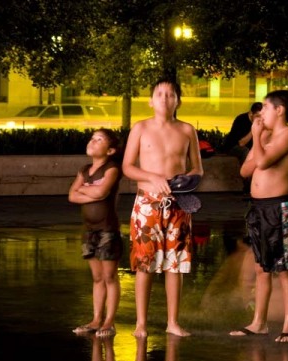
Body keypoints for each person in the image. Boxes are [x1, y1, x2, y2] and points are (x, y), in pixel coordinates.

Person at [122, 78, 204, 338]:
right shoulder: (141, 128)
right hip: (148, 202)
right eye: (160, 94)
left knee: (175, 264)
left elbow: (198, 168)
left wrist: (186, 180)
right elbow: (127, 167)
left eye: (170, 94)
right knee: (145, 263)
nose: (165, 98)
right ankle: (141, 324)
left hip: (178, 204)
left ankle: (172, 322)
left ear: (178, 100)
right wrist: (151, 177)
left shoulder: (187, 130)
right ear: (151, 100)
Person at [229, 90, 288, 343]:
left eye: (265, 110)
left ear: (279, 110)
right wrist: (259, 140)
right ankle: (259, 322)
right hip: (259, 208)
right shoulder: (268, 137)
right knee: (261, 267)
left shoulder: (287, 137)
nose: (260, 116)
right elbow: (245, 169)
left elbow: (262, 162)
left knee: (283, 267)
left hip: (279, 208)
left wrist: (258, 138)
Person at [69, 128, 123, 338]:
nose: (92, 141)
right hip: (89, 231)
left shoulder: (112, 169)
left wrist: (86, 190)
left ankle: (109, 321)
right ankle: (95, 319)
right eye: (92, 137)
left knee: (109, 276)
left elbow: (102, 192)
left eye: (99, 139)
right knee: (97, 276)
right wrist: (91, 192)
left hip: (107, 229)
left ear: (109, 150)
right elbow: (71, 195)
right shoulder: (84, 170)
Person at [221, 102, 263, 194]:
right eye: (257, 116)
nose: (259, 119)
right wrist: (253, 129)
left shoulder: (263, 121)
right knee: (245, 152)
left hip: (250, 147)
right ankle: (248, 187)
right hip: (233, 146)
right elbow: (241, 143)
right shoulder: (241, 120)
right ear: (251, 114)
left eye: (262, 116)